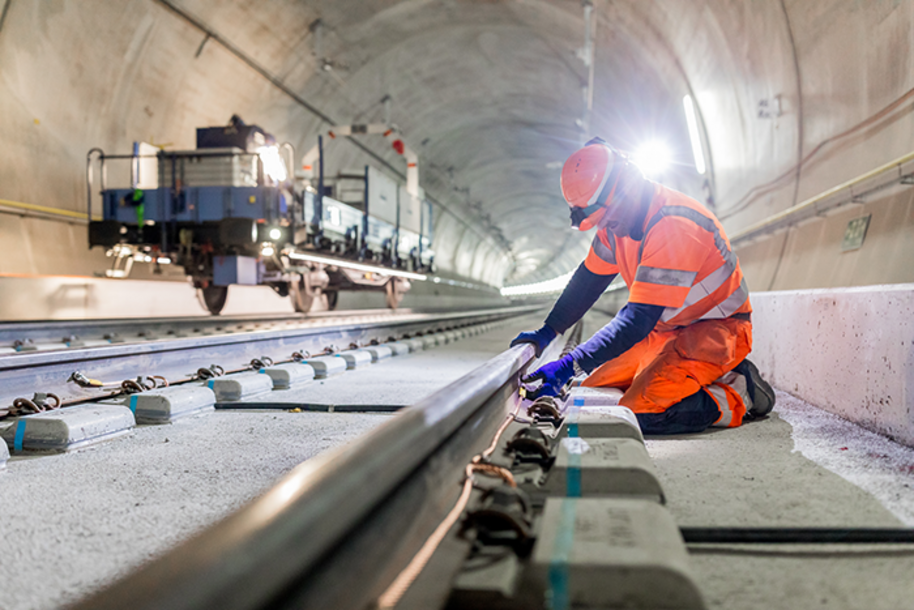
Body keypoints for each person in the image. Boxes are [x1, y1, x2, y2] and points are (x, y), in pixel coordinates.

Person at [511, 138, 775, 435]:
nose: (606, 229)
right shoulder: (617, 223)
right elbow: (588, 281)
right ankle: (688, 376)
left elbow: (637, 320)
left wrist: (571, 362)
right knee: (595, 382)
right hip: (666, 331)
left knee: (644, 409)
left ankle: (741, 392)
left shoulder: (674, 224)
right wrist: (549, 331)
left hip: (716, 331)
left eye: (608, 220)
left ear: (627, 188)